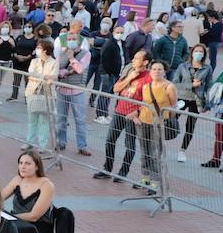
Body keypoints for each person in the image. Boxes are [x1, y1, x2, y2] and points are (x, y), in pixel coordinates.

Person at [96, 49, 151, 182]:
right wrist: (130, 78)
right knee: (110, 140)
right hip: (119, 111)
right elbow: (116, 88)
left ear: (145, 62)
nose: (133, 60)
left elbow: (149, 100)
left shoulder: (149, 77)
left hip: (133, 116)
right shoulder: (129, 70)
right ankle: (107, 168)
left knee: (129, 145)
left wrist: (138, 113)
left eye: (137, 59)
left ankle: (123, 173)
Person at [133, 59, 177, 191]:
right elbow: (143, 104)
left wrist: (164, 119)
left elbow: (174, 107)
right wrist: (136, 115)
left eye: (160, 69)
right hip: (143, 122)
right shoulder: (147, 86)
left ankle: (155, 182)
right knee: (144, 152)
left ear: (164, 71)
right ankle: (145, 178)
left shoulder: (169, 87)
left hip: (158, 125)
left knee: (155, 153)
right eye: (154, 69)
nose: (157, 71)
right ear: (150, 71)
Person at [2, 149, 56, 233]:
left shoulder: (46, 185)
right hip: (15, 224)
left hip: (36, 229)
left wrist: (9, 217)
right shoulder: (17, 179)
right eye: (21, 163)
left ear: (37, 166)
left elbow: (34, 216)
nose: (22, 166)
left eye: (27, 163)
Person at [54, 25, 92, 155]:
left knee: (80, 119)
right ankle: (61, 142)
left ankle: (82, 145)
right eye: (68, 38)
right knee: (61, 118)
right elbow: (56, 69)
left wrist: (71, 58)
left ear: (79, 40)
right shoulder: (61, 52)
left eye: (73, 38)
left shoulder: (86, 54)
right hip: (62, 89)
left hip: (77, 90)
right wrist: (62, 71)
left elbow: (81, 69)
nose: (70, 40)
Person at [174, 42, 212, 163]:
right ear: (192, 52)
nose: (198, 53)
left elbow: (209, 86)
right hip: (182, 97)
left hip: (197, 99)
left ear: (204, 54)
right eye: (196, 51)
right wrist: (191, 85)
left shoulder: (207, 68)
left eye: (201, 52)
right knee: (171, 120)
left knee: (190, 126)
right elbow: (175, 83)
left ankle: (182, 151)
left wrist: (208, 101)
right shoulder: (183, 66)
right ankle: (162, 143)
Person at [23, 38, 57, 150]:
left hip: (47, 94)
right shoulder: (34, 61)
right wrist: (43, 77)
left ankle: (42, 145)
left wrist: (40, 76)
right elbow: (31, 74)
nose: (37, 50)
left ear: (46, 50)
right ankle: (29, 142)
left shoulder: (54, 62)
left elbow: (53, 78)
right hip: (32, 92)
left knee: (44, 121)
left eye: (39, 48)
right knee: (32, 119)